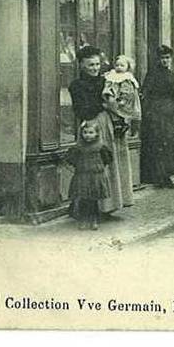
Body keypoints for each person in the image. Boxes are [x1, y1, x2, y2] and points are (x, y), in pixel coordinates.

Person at [68, 45, 134, 213]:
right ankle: (89, 207)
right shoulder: (77, 85)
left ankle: (108, 205)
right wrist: (103, 104)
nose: (95, 68)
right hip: (90, 127)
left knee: (109, 163)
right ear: (81, 65)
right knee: (90, 167)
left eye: (97, 64)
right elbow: (82, 110)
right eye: (91, 65)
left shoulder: (106, 80)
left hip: (108, 124)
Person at [141, 45, 174, 188]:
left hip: (169, 113)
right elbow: (145, 93)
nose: (165, 61)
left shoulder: (172, 75)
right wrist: (148, 112)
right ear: (158, 59)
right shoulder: (152, 74)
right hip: (156, 113)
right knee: (158, 144)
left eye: (167, 58)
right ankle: (158, 176)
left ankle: (167, 176)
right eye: (162, 58)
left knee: (170, 145)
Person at [65, 120, 113, 230]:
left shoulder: (100, 147)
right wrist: (79, 166)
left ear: (97, 134)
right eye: (85, 132)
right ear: (81, 134)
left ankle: (94, 220)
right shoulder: (78, 147)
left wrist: (98, 167)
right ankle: (83, 220)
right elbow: (71, 159)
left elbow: (107, 159)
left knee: (93, 200)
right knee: (83, 199)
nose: (87, 135)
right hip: (82, 176)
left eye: (91, 132)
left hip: (95, 176)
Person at [104, 55, 141, 136]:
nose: (119, 67)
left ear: (128, 67)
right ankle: (117, 124)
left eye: (122, 65)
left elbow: (127, 90)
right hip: (112, 94)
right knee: (113, 111)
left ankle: (122, 124)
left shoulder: (126, 77)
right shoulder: (112, 74)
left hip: (121, 98)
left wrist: (123, 99)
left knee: (120, 111)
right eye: (117, 65)